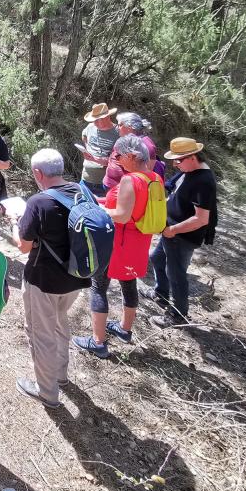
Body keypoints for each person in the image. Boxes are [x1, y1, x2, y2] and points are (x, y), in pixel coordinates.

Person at [5, 149, 90, 409]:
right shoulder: (81, 191)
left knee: (40, 333)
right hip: (76, 277)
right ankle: (61, 375)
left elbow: (24, 247)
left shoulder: (38, 202)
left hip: (43, 279)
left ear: (38, 173)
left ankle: (47, 392)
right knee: (59, 323)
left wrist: (14, 223)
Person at [73, 135, 164, 357]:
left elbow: (122, 216)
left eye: (118, 156)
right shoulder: (154, 178)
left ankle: (98, 341)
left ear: (132, 156)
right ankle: (124, 329)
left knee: (98, 287)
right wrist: (101, 201)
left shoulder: (129, 180)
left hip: (118, 244)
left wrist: (97, 210)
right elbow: (136, 209)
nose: (116, 160)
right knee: (129, 283)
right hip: (139, 243)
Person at [143, 137, 218, 328]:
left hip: (181, 235)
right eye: (174, 160)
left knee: (176, 274)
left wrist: (173, 230)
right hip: (171, 231)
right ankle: (160, 294)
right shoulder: (189, 171)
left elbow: (201, 219)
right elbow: (170, 187)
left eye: (179, 160)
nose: (175, 164)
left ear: (192, 157)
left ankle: (177, 315)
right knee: (158, 259)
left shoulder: (203, 181)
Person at [102, 112, 165, 190]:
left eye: (120, 125)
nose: (117, 128)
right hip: (113, 185)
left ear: (130, 126)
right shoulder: (126, 140)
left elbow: (146, 173)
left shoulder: (146, 145)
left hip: (124, 190)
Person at [80, 103, 120, 197]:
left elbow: (117, 161)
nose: (95, 123)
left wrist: (94, 159)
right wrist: (86, 148)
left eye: (98, 120)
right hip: (85, 180)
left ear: (108, 117)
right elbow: (84, 135)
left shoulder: (118, 132)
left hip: (105, 184)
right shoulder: (90, 127)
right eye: (94, 120)